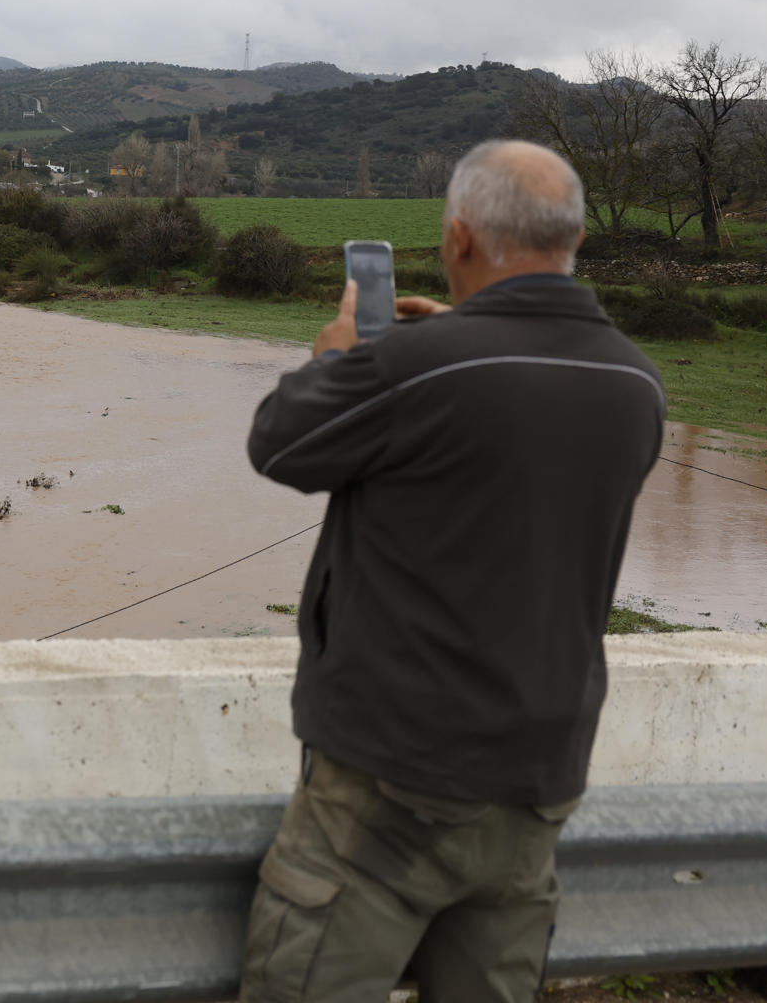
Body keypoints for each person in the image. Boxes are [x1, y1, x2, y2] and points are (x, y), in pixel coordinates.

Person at [238, 140, 666, 1002]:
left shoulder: (410, 367)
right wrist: (446, 350)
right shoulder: (637, 384)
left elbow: (280, 443)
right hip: (538, 787)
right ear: (574, 235)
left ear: (460, 239)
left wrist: (338, 355)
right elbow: (504, 451)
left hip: (392, 787)